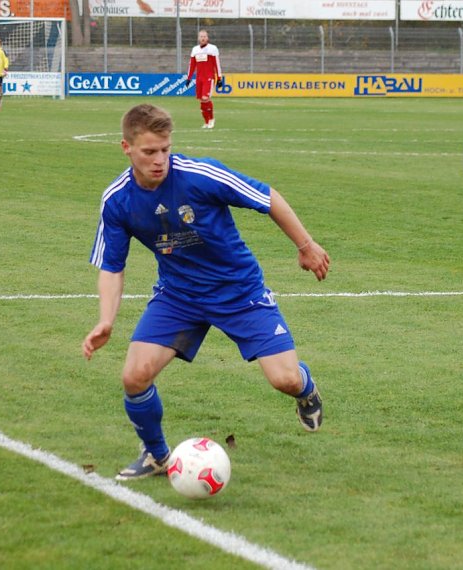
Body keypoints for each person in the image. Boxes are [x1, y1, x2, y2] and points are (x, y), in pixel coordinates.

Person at [83, 104, 331, 480]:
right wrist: (105, 320)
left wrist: (306, 246)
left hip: (238, 291)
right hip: (178, 297)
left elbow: (267, 198)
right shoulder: (117, 200)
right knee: (134, 376)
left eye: (165, 149)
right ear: (126, 148)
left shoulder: (199, 175)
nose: (159, 160)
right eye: (149, 151)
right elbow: (112, 267)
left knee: (285, 380)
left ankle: (306, 389)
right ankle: (156, 454)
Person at [186, 29, 222, 129]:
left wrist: (219, 78)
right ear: (198, 38)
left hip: (209, 78)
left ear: (207, 38)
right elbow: (192, 65)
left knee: (206, 98)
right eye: (201, 36)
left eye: (204, 36)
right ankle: (206, 122)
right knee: (202, 100)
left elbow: (216, 64)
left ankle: (211, 119)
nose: (203, 38)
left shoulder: (212, 48)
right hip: (199, 79)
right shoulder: (195, 50)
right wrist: (188, 78)